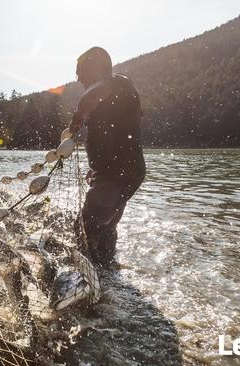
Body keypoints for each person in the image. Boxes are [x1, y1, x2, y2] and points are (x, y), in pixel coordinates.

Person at [69, 47, 146, 267]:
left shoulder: (114, 83)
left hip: (117, 174)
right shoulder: (114, 94)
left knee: (85, 226)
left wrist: (78, 118)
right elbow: (112, 135)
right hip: (119, 172)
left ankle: (85, 275)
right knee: (106, 226)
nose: (79, 77)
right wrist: (98, 167)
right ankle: (107, 270)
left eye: (81, 71)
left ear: (97, 68)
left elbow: (90, 96)